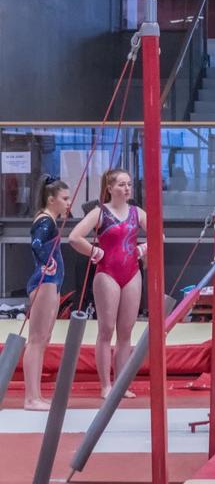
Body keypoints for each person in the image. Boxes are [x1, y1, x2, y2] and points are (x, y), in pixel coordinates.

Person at [69, 169, 147, 399]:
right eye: (121, 184)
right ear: (109, 188)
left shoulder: (137, 212)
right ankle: (105, 385)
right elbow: (74, 237)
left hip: (132, 273)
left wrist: (143, 249)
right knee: (106, 330)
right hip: (107, 273)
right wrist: (94, 252)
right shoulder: (100, 212)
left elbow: (159, 236)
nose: (127, 188)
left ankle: (121, 384)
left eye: (129, 184)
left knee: (126, 331)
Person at [23, 175, 70, 410]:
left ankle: (36, 395)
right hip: (45, 282)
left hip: (51, 282)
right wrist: (48, 262)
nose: (68, 203)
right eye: (65, 198)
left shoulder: (49, 219)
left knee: (43, 340)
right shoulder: (45, 220)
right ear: (51, 200)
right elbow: (36, 244)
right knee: (36, 340)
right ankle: (30, 398)